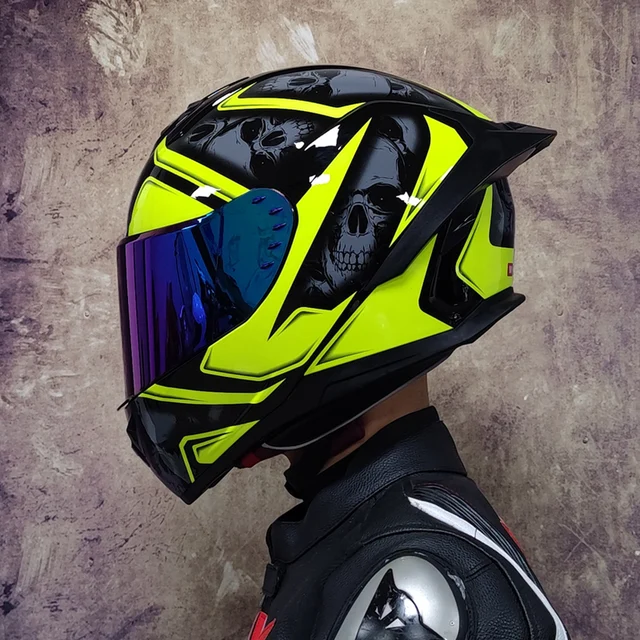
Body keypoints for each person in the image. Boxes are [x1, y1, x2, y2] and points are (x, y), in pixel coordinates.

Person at [117, 66, 570, 639]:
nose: (183, 322)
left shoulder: (417, 588)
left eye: (212, 288)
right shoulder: (373, 537)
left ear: (341, 258)